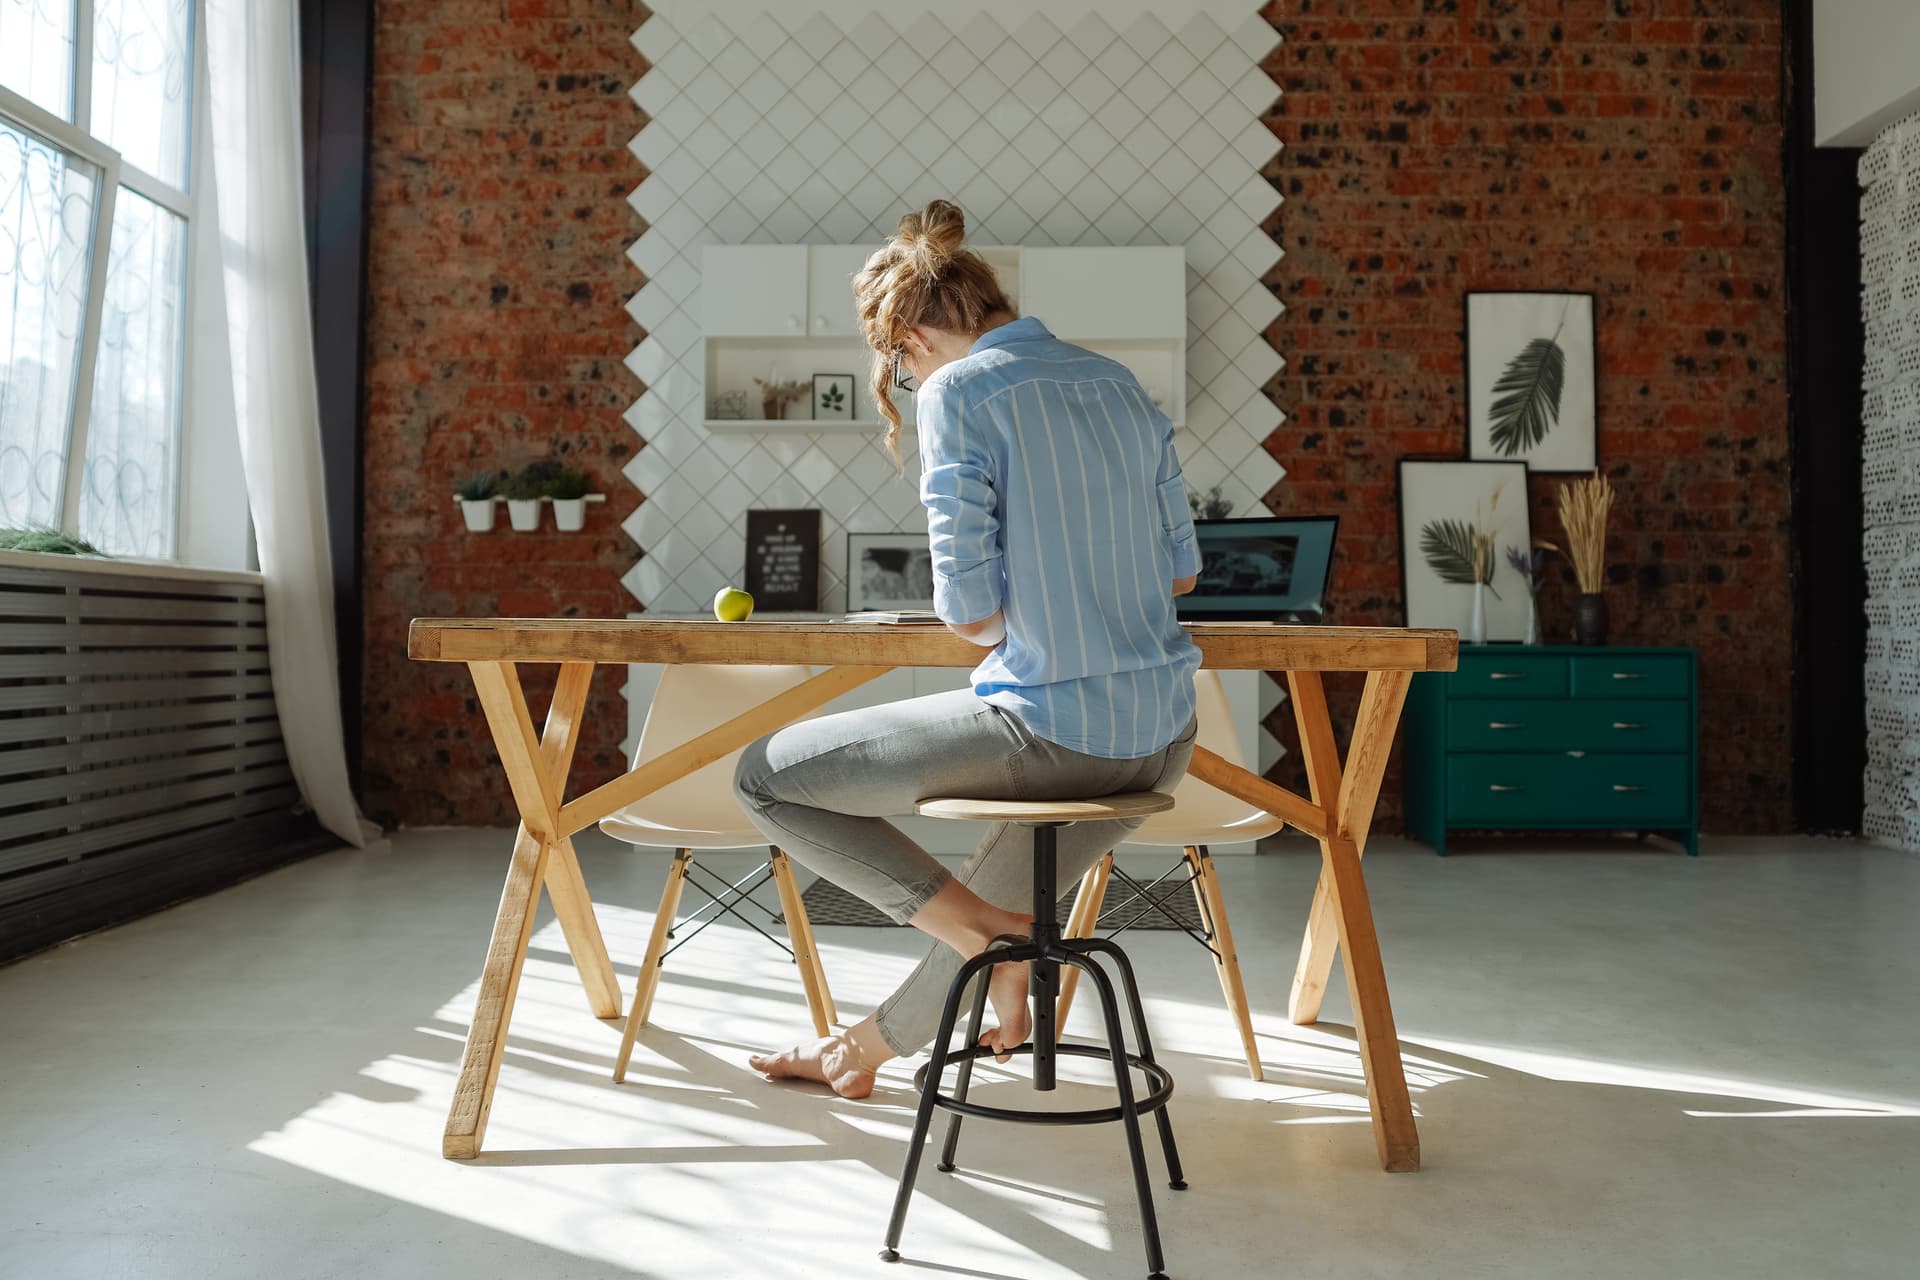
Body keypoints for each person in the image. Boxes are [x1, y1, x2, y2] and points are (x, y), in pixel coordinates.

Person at [734, 199, 1203, 1098]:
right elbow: (1182, 577)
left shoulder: (959, 390)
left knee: (764, 777)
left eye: (902, 369)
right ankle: (855, 1054)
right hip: (1161, 736)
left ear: (910, 340)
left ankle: (989, 945)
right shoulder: (1119, 385)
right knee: (993, 918)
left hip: (1055, 731)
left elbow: (971, 613)